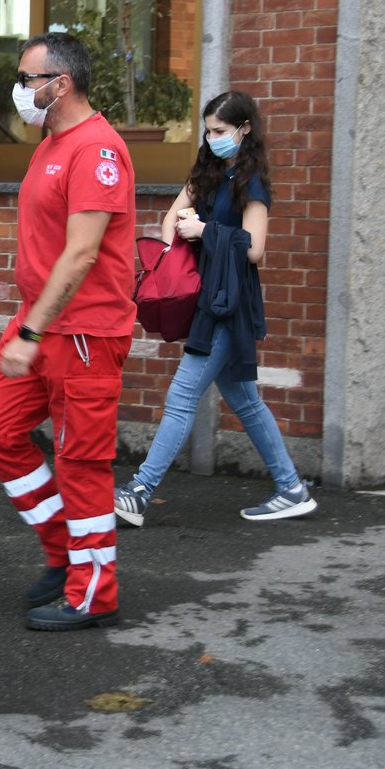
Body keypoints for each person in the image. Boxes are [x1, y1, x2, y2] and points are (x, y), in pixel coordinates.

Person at [0, 31, 136, 632]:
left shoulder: (97, 150)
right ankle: (68, 549)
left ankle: (94, 591)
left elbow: (82, 254)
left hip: (82, 333)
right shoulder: (51, 143)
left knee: (82, 463)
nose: (19, 89)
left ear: (59, 84)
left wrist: (31, 331)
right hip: (43, 326)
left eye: (26, 79)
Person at [115, 91, 317, 526]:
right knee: (246, 403)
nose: (212, 138)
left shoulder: (252, 184)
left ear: (245, 130)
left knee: (183, 394)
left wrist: (205, 230)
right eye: (208, 130)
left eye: (220, 131)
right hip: (209, 296)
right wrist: (173, 256)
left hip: (230, 302)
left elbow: (255, 249)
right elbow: (172, 215)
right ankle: (292, 489)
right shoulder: (208, 171)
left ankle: (139, 491)